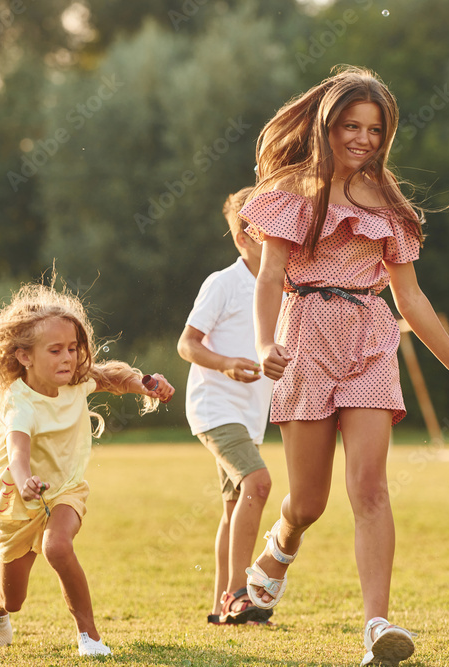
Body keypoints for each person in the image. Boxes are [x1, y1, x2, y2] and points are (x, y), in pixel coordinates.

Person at [241, 66, 449, 666]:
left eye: (376, 130)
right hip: (304, 341)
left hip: (369, 343)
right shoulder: (290, 192)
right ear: (326, 126)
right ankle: (280, 545)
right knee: (309, 502)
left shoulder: (388, 203)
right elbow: (270, 277)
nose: (363, 138)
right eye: (352, 126)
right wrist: (263, 344)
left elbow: (410, 297)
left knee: (370, 488)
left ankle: (377, 627)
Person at [0, 282, 175, 657]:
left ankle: (90, 637)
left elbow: (112, 376)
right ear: (25, 356)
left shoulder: (76, 379)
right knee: (13, 599)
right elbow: (17, 453)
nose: (68, 358)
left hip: (65, 489)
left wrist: (145, 384)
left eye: (73, 348)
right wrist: (24, 483)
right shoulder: (19, 403)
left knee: (58, 547)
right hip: (17, 501)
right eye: (55, 350)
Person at [177, 187, 275, 626]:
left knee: (235, 507)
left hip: (250, 414)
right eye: (266, 232)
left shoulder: (284, 287)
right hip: (215, 408)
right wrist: (227, 364)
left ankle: (221, 608)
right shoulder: (223, 283)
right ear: (242, 238)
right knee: (258, 482)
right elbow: (187, 344)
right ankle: (239, 595)